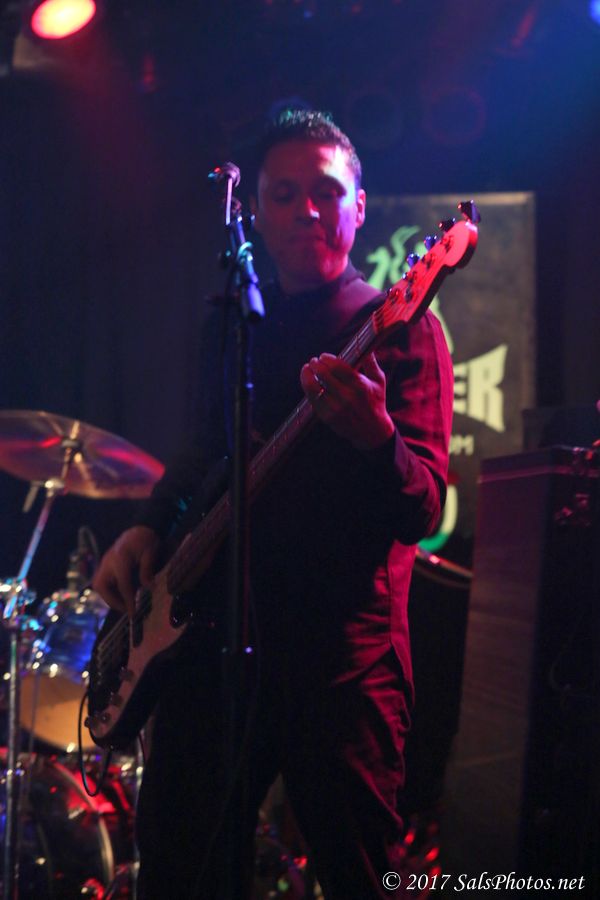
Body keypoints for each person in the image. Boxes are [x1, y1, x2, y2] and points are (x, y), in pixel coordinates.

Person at [93, 108, 454, 899]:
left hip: (342, 669)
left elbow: (424, 509)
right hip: (213, 652)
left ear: (360, 206)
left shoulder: (401, 328)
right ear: (253, 212)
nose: (306, 210)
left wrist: (377, 441)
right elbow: (203, 453)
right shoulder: (232, 326)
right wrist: (148, 526)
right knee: (177, 870)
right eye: (284, 195)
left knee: (360, 876)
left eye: (326, 192)